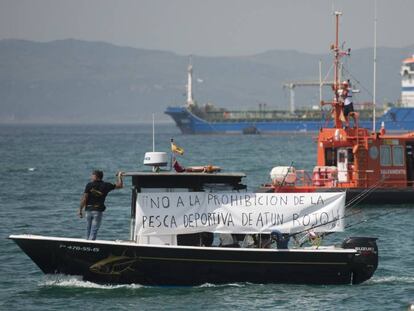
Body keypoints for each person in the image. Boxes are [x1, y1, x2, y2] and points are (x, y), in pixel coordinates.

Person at [78, 170, 123, 240]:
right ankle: (91, 244)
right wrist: (119, 177)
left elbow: (84, 198)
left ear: (96, 176)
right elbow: (120, 185)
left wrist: (80, 210)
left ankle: (88, 243)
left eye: (92, 175)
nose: (91, 177)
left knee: (88, 229)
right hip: (97, 211)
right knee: (94, 230)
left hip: (88, 210)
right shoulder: (106, 185)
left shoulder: (89, 185)